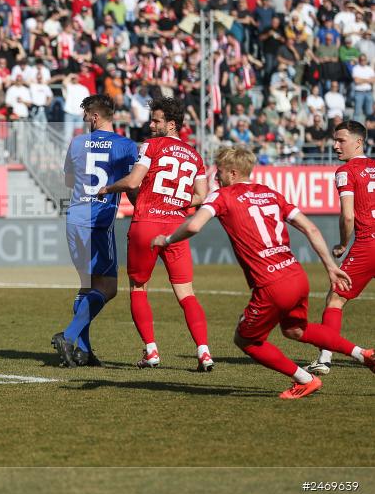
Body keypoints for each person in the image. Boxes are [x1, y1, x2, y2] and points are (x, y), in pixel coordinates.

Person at [152, 147, 375, 398]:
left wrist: (167, 239)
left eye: (220, 173)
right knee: (295, 330)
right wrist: (331, 267)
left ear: (233, 173)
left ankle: (305, 378)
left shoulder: (222, 196)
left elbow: (193, 225)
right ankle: (364, 354)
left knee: (245, 340)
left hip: (271, 284)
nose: (217, 178)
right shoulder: (271, 194)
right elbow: (310, 228)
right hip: (296, 275)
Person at [98, 98, 214, 371]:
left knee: (139, 289)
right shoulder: (195, 156)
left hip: (147, 223)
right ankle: (204, 352)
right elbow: (201, 196)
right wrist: (176, 203)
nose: (150, 125)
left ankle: (151, 351)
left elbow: (133, 182)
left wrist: (106, 189)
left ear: (171, 124)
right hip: (176, 227)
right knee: (186, 293)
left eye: (156, 121)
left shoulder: (151, 146)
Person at [52, 94, 138, 367]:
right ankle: (68, 335)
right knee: (109, 288)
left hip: (75, 217)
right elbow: (132, 185)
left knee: (87, 285)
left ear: (95, 116)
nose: (84, 120)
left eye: (86, 115)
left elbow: (68, 180)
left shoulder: (77, 143)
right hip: (98, 221)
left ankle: (84, 351)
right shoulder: (126, 146)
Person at [307, 121, 375, 374]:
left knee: (335, 298)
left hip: (368, 243)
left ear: (358, 142)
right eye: (335, 140)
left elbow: (348, 216)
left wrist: (343, 244)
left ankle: (324, 358)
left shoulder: (346, 170)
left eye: (341, 140)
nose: (335, 145)